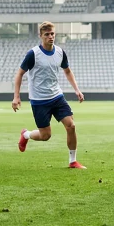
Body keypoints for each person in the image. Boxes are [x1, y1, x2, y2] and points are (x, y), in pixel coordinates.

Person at [14, 21, 86, 168]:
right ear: (40, 36)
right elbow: (20, 74)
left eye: (52, 34)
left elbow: (67, 70)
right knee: (45, 136)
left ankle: (73, 161)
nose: (50, 37)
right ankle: (26, 134)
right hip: (39, 100)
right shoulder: (33, 54)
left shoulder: (60, 52)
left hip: (57, 97)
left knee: (71, 126)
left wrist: (77, 89)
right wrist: (16, 96)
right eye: (47, 34)